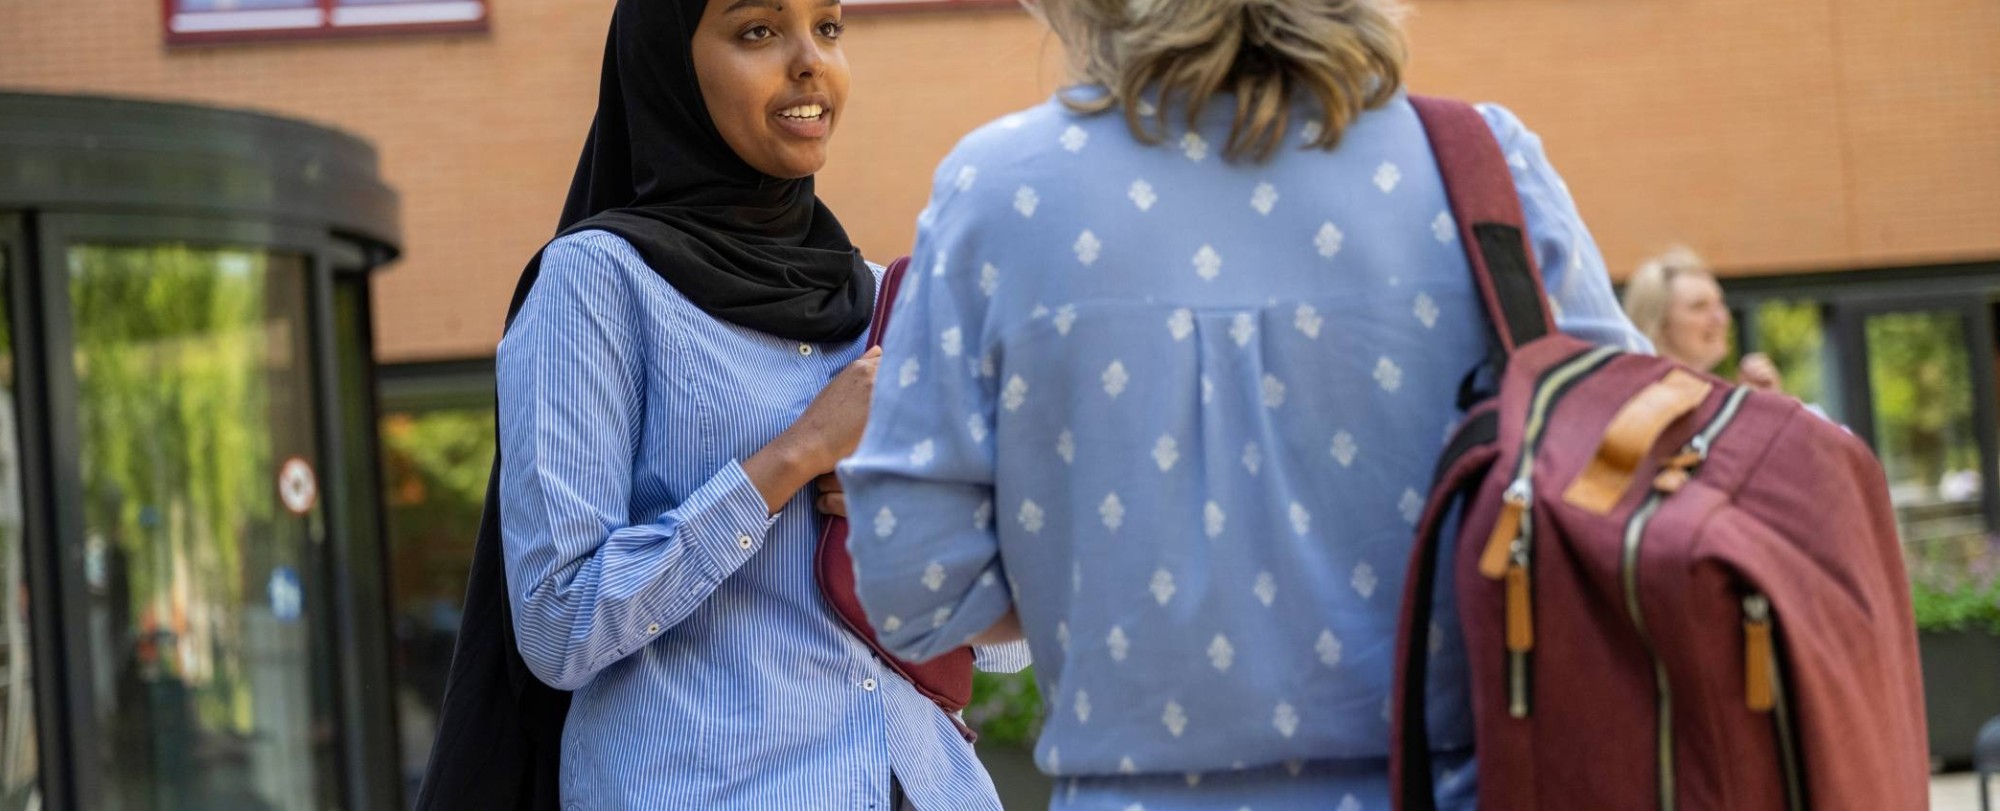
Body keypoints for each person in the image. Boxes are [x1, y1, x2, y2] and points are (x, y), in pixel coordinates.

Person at [839, 0, 1648, 808]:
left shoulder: (998, 194)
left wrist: (1102, 563)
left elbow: (918, 589)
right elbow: (1633, 493)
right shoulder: (1481, 166)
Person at [418, 0, 1026, 808]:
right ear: (670, 66)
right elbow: (557, 625)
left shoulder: (887, 300)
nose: (810, 59)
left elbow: (1008, 650)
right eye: (759, 31)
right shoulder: (598, 285)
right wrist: (792, 457)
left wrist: (941, 526)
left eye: (830, 27)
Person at [1621, 246, 1784, 390]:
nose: (1721, 318)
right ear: (1660, 323)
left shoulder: (1713, 397)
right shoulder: (1642, 401)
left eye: (1720, 303)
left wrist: (1756, 408)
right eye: (1699, 307)